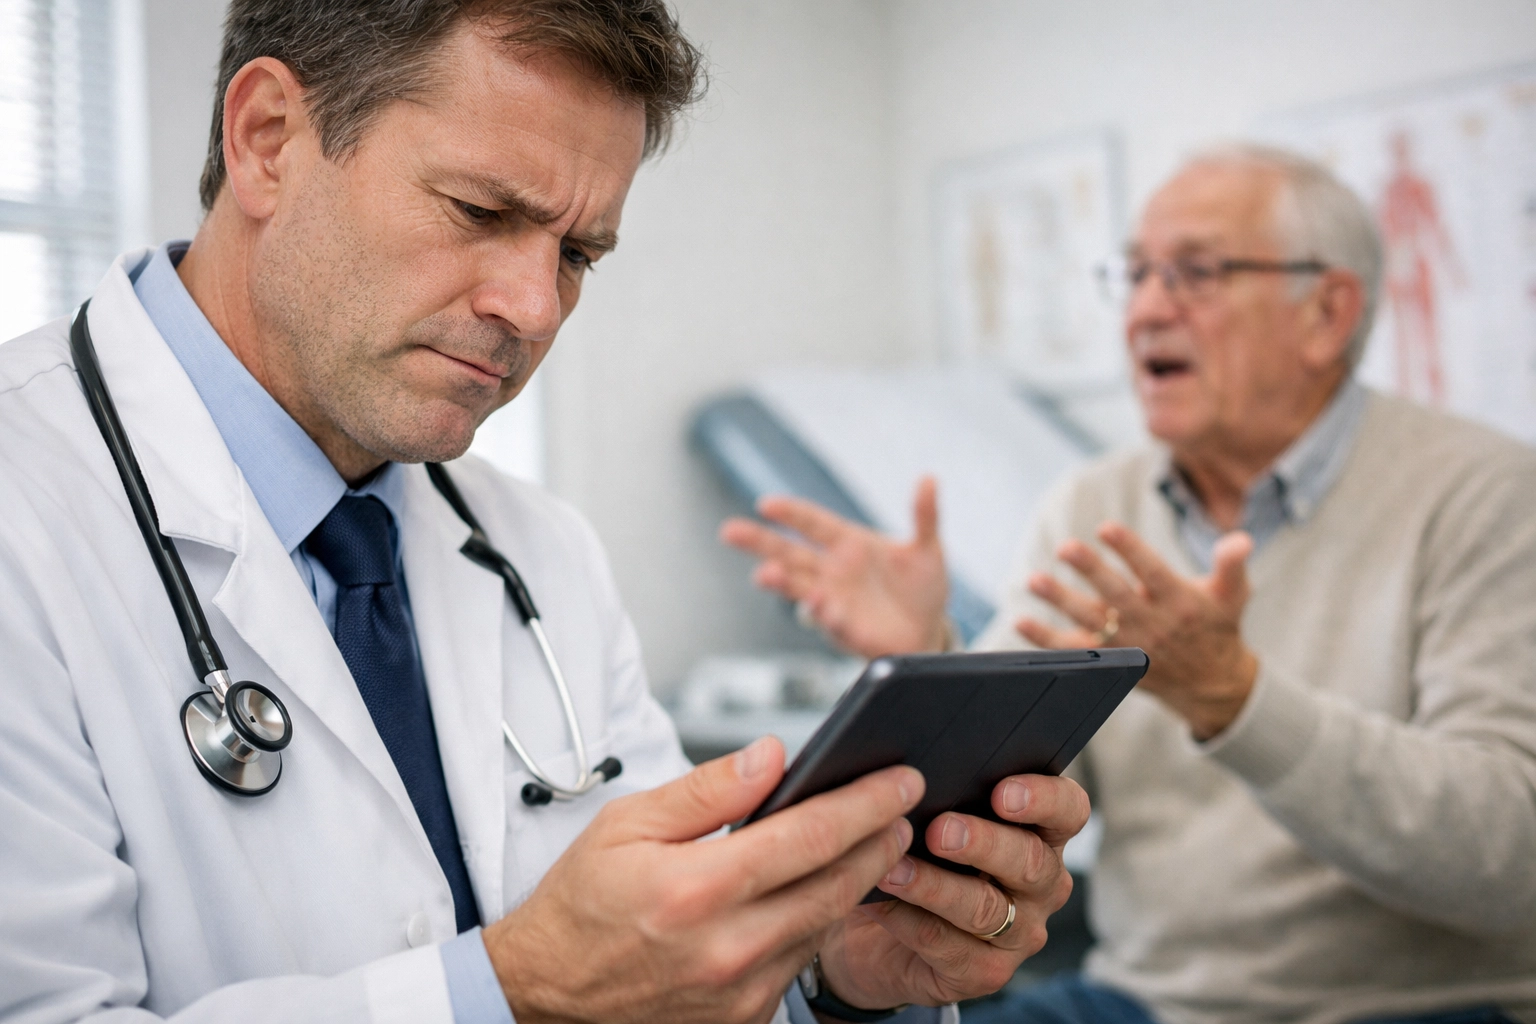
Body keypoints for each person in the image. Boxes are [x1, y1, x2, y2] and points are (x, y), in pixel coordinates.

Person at [0, 3, 1090, 1022]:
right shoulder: (27, 508)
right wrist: (512, 990)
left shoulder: (540, 553)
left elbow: (678, 965)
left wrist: (830, 973)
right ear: (270, 138)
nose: (532, 308)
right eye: (480, 211)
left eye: (576, 254)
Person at [723, 145, 1536, 1023]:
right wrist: (929, 657)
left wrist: (1236, 701)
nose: (1147, 309)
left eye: (1195, 273)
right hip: (1143, 1004)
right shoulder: (1095, 504)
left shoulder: (1485, 496)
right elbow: (1010, 788)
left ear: (1326, 313)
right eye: (1137, 274)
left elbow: (1509, 857)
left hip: (1415, 1009)